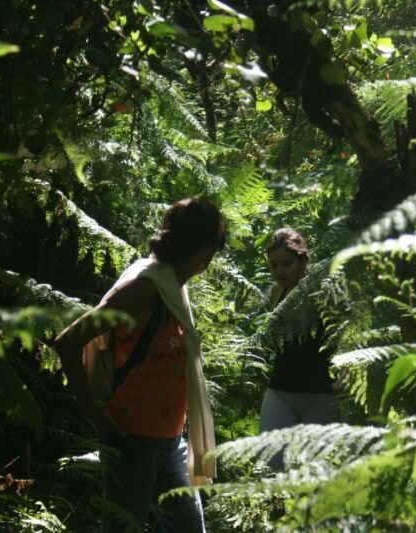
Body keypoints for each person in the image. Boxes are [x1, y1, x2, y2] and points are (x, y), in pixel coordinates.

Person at [53, 197, 225, 532]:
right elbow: (68, 341)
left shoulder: (172, 285)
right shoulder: (144, 287)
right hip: (132, 440)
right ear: (203, 250)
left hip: (170, 439)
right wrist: (94, 415)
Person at [258, 228, 339, 441]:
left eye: (286, 264)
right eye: (273, 265)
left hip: (320, 394)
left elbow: (343, 335)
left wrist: (346, 375)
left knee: (317, 469)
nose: (279, 271)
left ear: (302, 260)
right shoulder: (276, 292)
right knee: (269, 465)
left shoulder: (324, 292)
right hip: (279, 391)